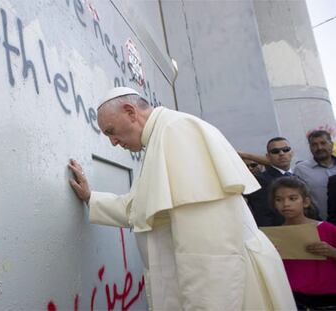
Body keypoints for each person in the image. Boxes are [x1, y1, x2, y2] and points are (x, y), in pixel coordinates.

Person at [68, 87, 296, 310]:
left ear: (130, 112)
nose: (113, 142)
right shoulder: (161, 136)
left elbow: (209, 255)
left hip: (229, 291)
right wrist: (91, 197)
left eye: (111, 131)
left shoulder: (178, 132)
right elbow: (139, 208)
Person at [270, 176, 336, 309]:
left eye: (292, 198)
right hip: (292, 299)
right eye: (279, 200)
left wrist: (332, 252)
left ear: (305, 202)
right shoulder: (272, 237)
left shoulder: (327, 229)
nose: (286, 204)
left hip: (329, 300)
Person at [246, 137, 294, 226]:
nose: (281, 153)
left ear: (292, 152)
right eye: (275, 151)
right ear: (268, 156)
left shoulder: (298, 176)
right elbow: (263, 215)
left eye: (286, 150)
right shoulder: (261, 180)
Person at [294, 130, 336, 221]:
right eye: (314, 145)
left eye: (323, 143)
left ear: (331, 144)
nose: (319, 147)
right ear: (310, 147)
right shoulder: (301, 169)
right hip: (318, 224)